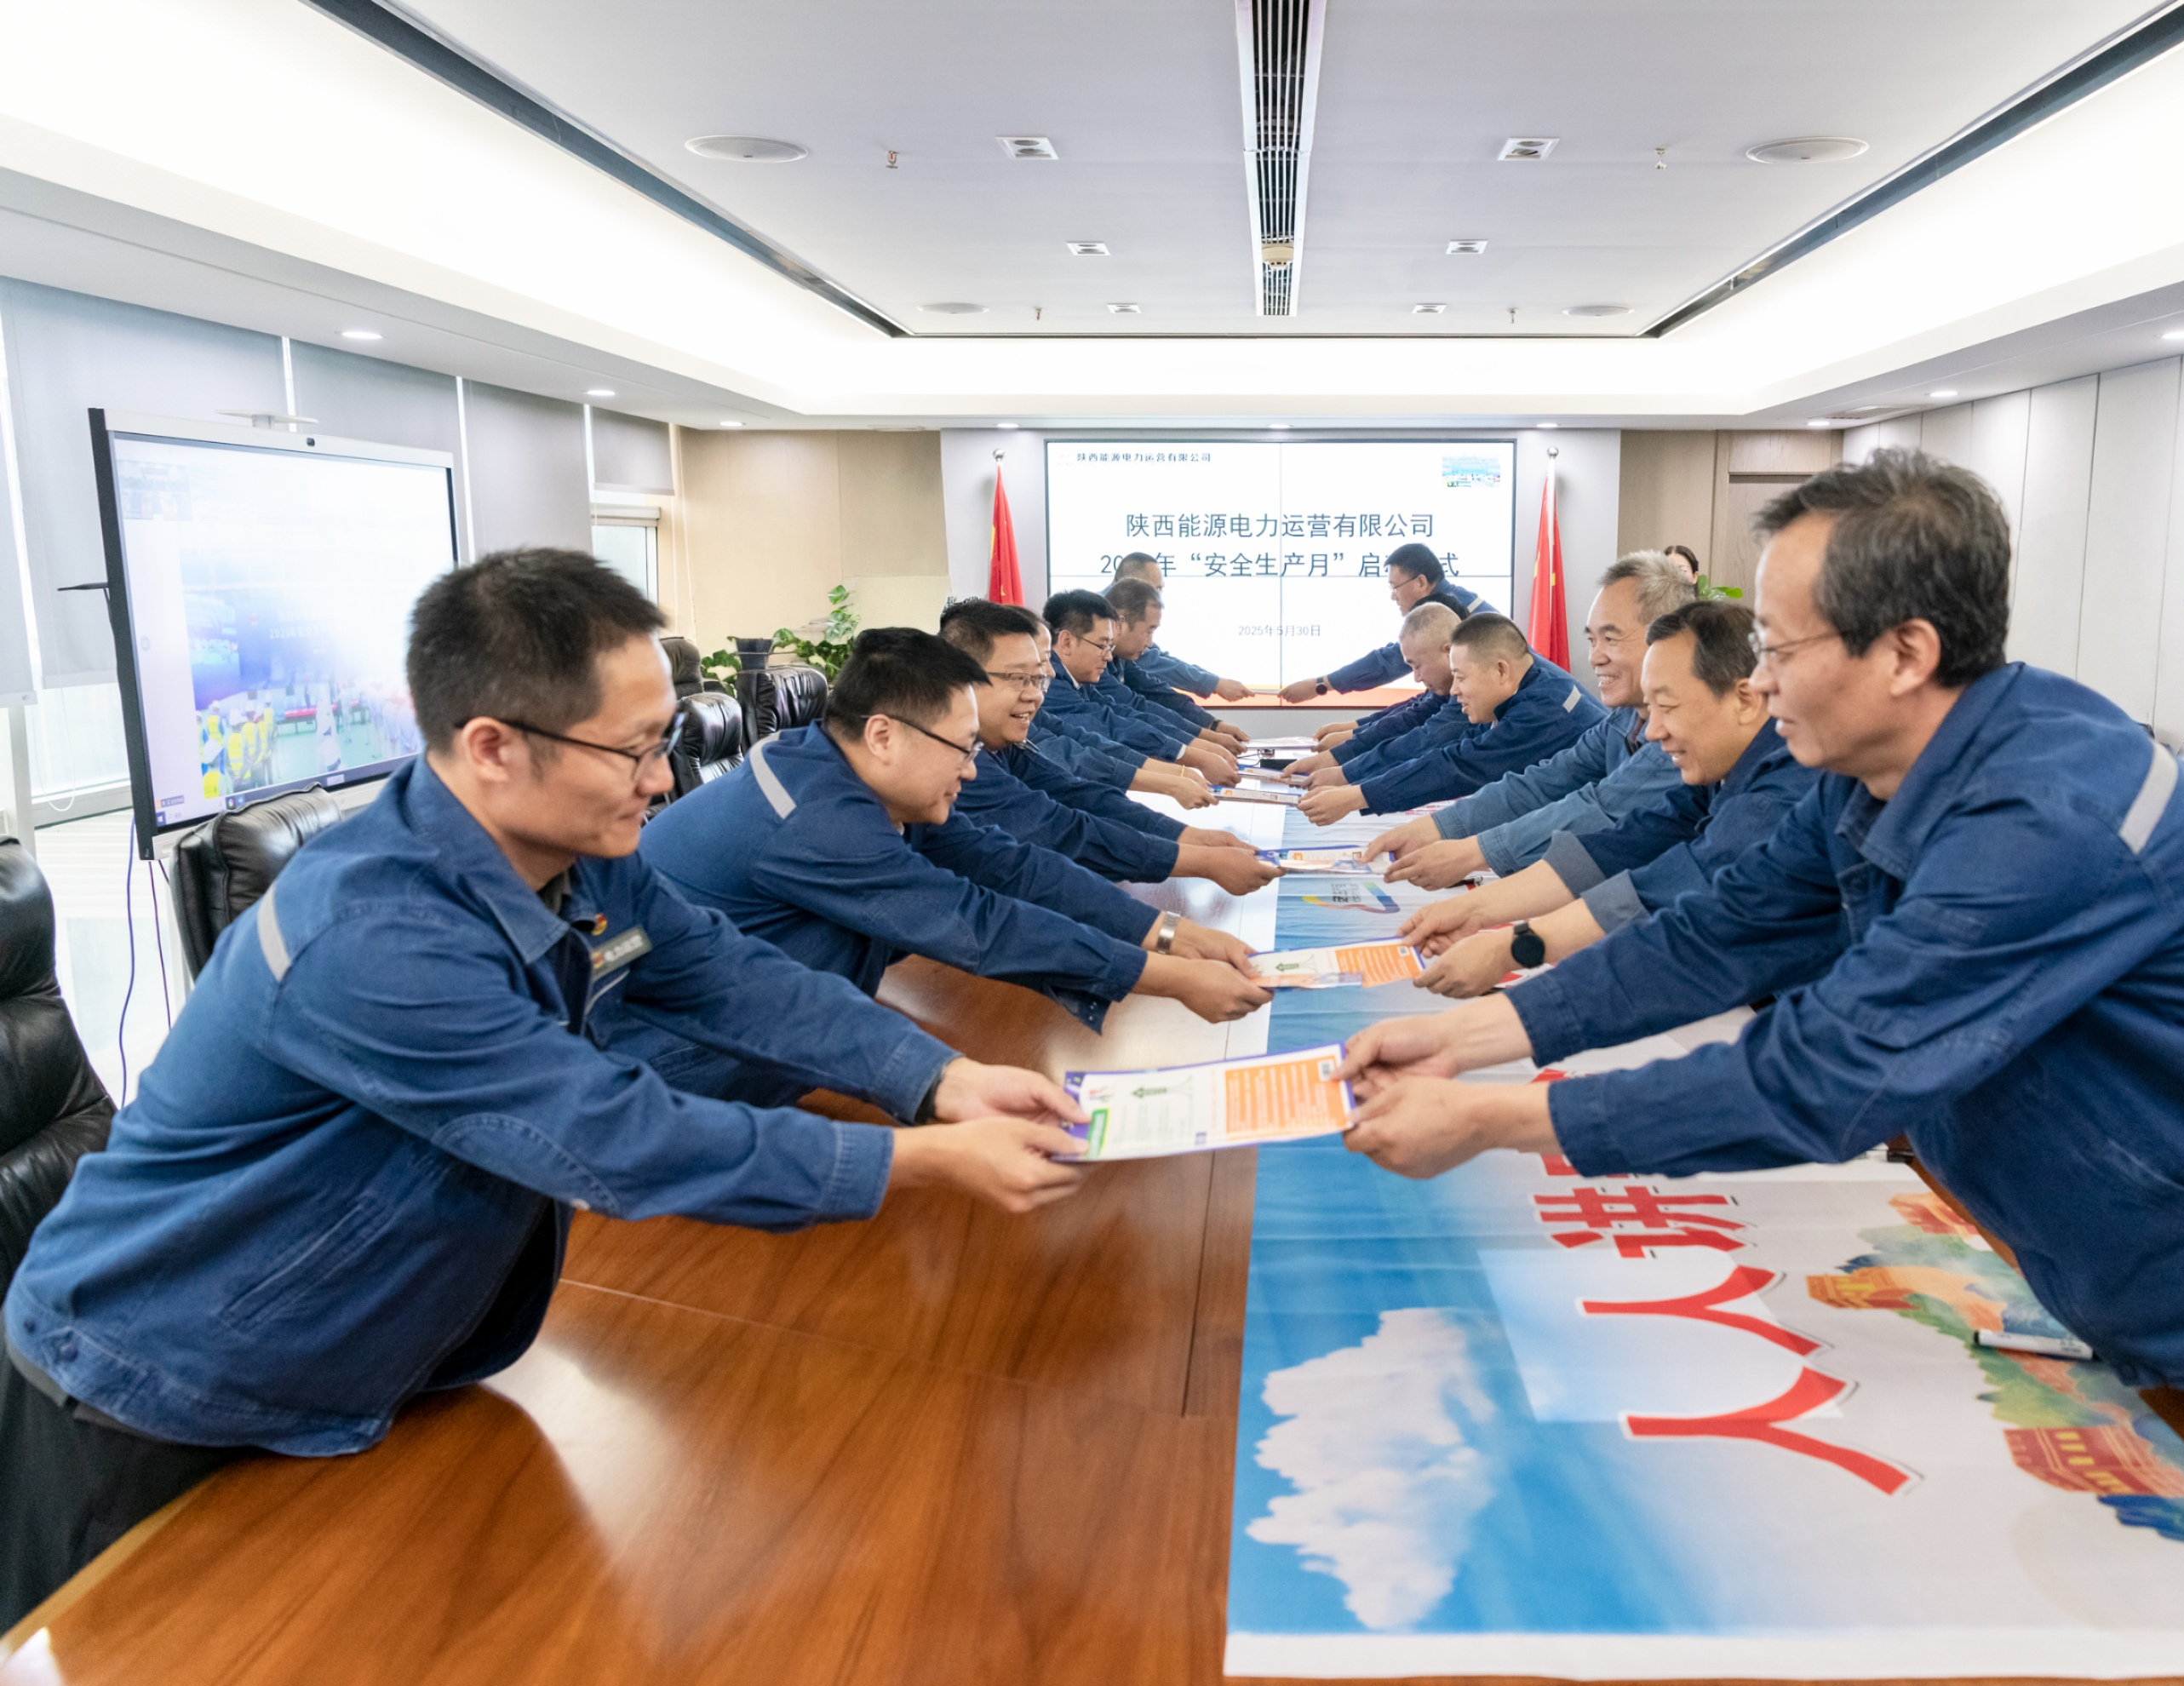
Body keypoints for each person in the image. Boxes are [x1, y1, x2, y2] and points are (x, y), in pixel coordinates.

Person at [1335, 450, 2184, 1637]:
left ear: (1905, 651)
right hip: (2166, 1282)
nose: (1760, 680)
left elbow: (1829, 1071)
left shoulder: (2048, 812)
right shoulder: (1862, 773)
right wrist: (1470, 1037)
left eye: (1780, 649)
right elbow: (1720, 932)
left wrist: (1500, 1119)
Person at [1, 551, 1089, 1625]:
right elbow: (604, 1131)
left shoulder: (580, 849)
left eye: (665, 739)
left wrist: (937, 1076)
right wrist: (913, 1157)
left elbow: (726, 973)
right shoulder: (374, 934)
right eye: (634, 748)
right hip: (156, 1388)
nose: (662, 777)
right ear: (493, 747)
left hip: (361, 1355)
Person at [634, 628, 1268, 1042]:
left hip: (781, 1025)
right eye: (961, 749)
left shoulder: (854, 773)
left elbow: (1012, 867)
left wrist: (1172, 935)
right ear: (883, 735)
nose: (970, 769)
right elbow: (979, 923)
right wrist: (1170, 977)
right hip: (678, 1062)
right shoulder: (816, 818)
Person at [1396, 598, 1810, 997]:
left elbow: (1670, 879)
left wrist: (1514, 946)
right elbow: (1621, 843)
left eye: (1610, 638)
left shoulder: (1779, 793)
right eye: (1591, 640)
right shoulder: (1704, 759)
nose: (1654, 732)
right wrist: (1475, 911)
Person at [1359, 553, 1694, 889]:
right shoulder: (1625, 717)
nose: (1594, 657)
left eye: (1611, 639)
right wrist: (1435, 830)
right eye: (1592, 640)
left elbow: (1597, 808)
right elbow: (1545, 780)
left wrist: (1472, 853)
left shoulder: (1679, 739)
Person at [935, 599, 1273, 895]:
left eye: (1040, 673)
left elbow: (1078, 791)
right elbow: (1058, 826)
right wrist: (1194, 863)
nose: (1041, 686)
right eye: (1025, 675)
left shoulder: (1002, 735)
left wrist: (1189, 837)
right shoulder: (954, 758)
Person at [1297, 612, 1605, 826]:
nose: (1455, 691)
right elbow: (1456, 745)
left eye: (1461, 678)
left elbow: (1460, 765)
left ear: (1500, 670)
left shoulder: (1542, 710)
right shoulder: (1522, 684)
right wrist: (1354, 783)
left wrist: (1356, 794)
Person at [1041, 590, 1241, 786]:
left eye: (1110, 647)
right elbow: (1107, 729)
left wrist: (1198, 747)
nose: (1108, 657)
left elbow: (1124, 712)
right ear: (1066, 642)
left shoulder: (1079, 679)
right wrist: (1186, 764)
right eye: (1102, 646)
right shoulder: (1050, 684)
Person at [1277, 542, 1482, 702]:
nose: (1393, 596)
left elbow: (1386, 663)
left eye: (1395, 587)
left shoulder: (1451, 611)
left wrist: (1319, 685)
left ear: (1420, 582)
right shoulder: (1457, 600)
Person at [1283, 604, 1464, 783]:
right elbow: (1412, 716)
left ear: (1449, 651)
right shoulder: (1445, 686)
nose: (1417, 678)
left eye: (1418, 666)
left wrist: (1346, 775)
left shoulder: (1465, 695)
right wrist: (1349, 738)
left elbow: (1423, 740)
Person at [1096, 580, 1246, 751]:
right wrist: (1203, 741)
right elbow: (1134, 707)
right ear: (1120, 622)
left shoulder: (1121, 658)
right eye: (1149, 631)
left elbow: (1157, 693)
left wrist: (1212, 725)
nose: (1149, 643)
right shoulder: (1095, 665)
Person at [1113, 552, 1249, 702]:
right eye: (1156, 589)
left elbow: (1155, 658)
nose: (1158, 596)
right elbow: (1150, 661)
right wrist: (1213, 683)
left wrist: (1213, 682)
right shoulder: (1101, 617)